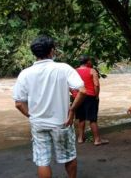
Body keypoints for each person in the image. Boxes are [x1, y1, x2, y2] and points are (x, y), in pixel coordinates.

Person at [13, 35, 86, 178]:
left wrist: (31, 116)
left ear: (34, 53)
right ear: (52, 50)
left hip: (38, 124)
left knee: (42, 161)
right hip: (61, 123)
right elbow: (82, 91)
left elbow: (18, 103)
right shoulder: (63, 68)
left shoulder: (25, 74)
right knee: (69, 156)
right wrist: (72, 111)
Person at [72, 55, 109, 146]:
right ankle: (97, 140)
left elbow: (70, 85)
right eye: (90, 61)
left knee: (81, 118)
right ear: (87, 62)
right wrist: (96, 95)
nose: (91, 62)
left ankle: (80, 138)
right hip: (90, 97)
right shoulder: (92, 70)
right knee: (92, 119)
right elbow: (96, 85)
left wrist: (75, 95)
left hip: (78, 96)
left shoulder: (74, 71)